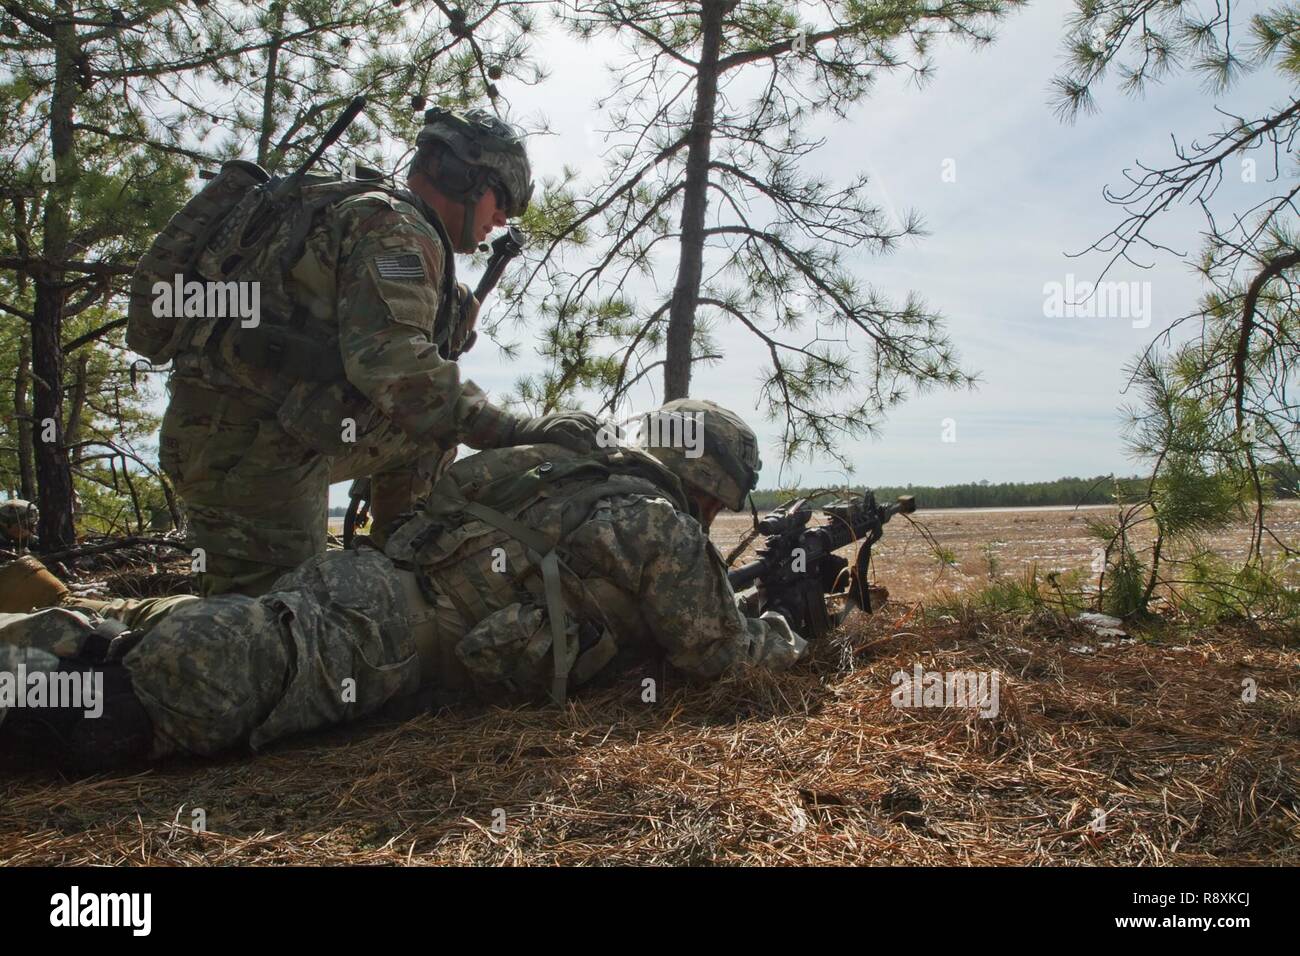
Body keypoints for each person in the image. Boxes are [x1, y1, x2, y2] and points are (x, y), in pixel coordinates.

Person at [0, 401, 807, 772]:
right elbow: (723, 658)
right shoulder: (654, 521)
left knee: (183, 634)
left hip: (362, 584)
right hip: (382, 637)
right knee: (183, 683)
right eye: (711, 503)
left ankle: (56, 646)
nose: (706, 520)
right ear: (700, 483)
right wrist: (792, 626)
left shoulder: (563, 469)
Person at [156, 106, 600, 597]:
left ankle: (399, 568)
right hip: (249, 455)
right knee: (273, 636)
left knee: (427, 437)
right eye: (502, 197)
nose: (502, 217)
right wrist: (516, 429)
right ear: (460, 176)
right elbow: (398, 370)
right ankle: (93, 643)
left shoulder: (372, 214)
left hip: (255, 435)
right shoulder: (396, 230)